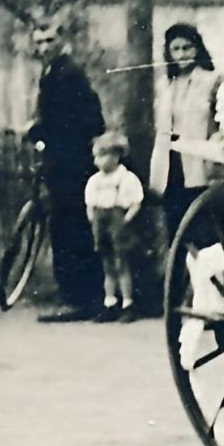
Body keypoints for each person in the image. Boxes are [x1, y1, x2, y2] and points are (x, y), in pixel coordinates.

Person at [26, 19, 106, 322]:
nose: (44, 47)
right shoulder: (52, 73)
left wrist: (43, 135)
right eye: (39, 41)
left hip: (72, 164)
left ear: (61, 40)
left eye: (49, 40)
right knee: (63, 226)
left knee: (73, 228)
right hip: (61, 163)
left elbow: (85, 119)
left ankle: (81, 298)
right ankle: (74, 294)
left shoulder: (68, 74)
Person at [149, 23, 224, 237]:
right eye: (176, 49)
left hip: (198, 159)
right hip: (170, 161)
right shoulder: (165, 84)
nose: (181, 55)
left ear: (197, 48)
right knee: (175, 225)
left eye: (187, 48)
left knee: (201, 223)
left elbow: (218, 122)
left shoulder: (210, 80)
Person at [84, 130, 145, 323]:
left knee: (122, 264)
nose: (97, 161)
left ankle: (128, 303)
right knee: (107, 265)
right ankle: (109, 302)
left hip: (118, 223)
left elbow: (136, 202)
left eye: (102, 156)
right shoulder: (95, 180)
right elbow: (90, 204)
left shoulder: (125, 178)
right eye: (96, 157)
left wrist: (126, 219)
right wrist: (92, 219)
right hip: (101, 224)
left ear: (116, 156)